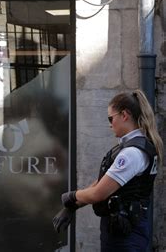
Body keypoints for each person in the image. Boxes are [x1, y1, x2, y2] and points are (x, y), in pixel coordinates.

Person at [53, 90, 163, 251]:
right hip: (122, 228)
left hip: (126, 234)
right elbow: (104, 183)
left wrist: (70, 197)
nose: (109, 124)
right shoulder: (132, 147)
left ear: (124, 115)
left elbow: (99, 193)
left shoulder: (132, 153)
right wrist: (73, 206)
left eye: (110, 118)